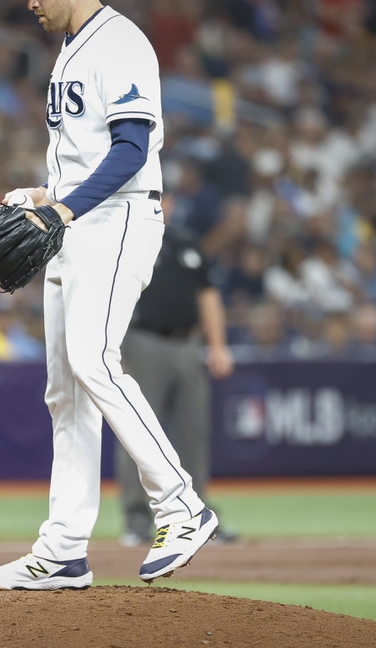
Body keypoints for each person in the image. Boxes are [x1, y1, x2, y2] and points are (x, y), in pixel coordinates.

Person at [0, 0, 218, 591]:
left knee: (94, 360)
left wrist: (63, 209)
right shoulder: (68, 51)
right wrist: (47, 195)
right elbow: (86, 160)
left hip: (118, 219)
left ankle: (181, 505)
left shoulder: (121, 42)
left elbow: (131, 150)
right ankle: (63, 549)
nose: (30, 1)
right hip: (79, 219)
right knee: (66, 390)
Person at [115, 196, 236, 546]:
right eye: (155, 196)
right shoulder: (127, 238)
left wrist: (217, 346)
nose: (162, 204)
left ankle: (195, 516)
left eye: (164, 198)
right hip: (143, 342)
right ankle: (137, 520)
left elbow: (208, 296)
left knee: (192, 434)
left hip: (188, 345)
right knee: (137, 432)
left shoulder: (186, 242)